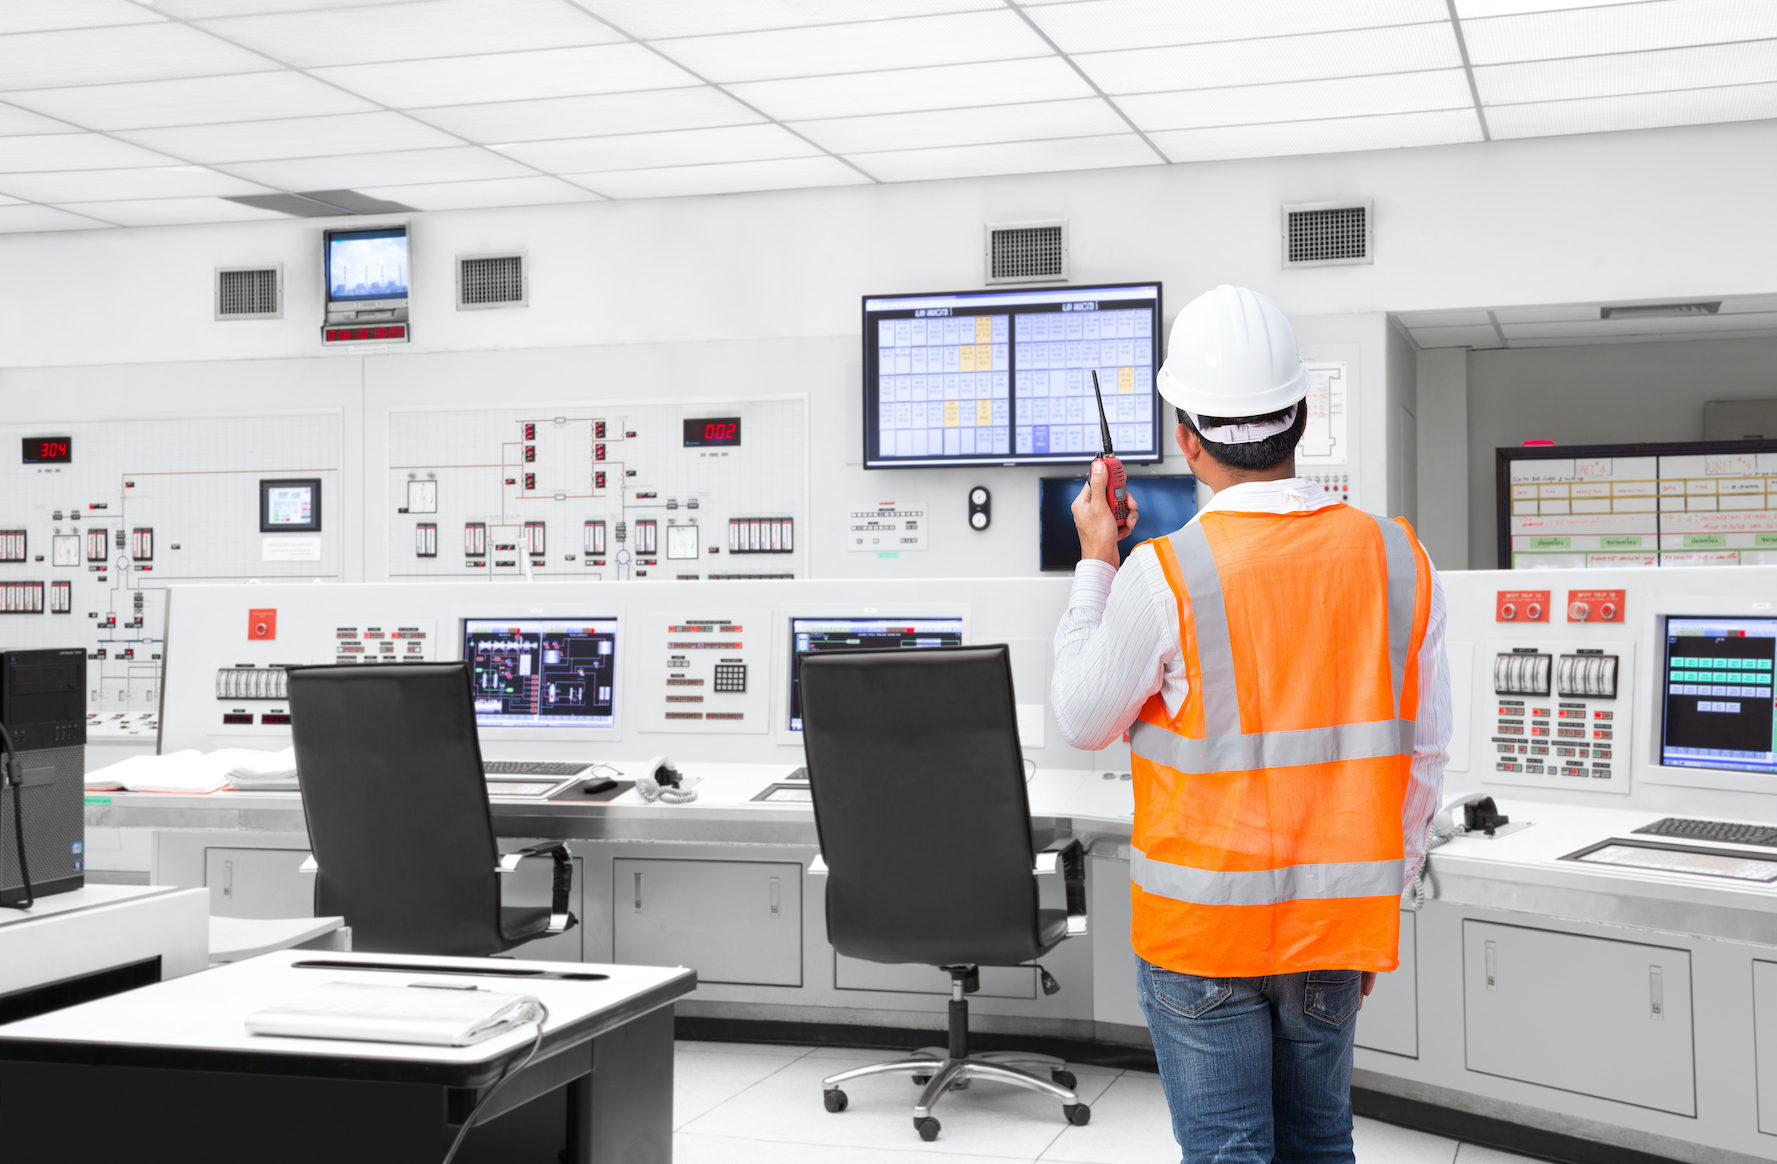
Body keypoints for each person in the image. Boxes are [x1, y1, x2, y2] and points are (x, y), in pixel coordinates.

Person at [1051, 285, 1450, 1164]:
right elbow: (1422, 758)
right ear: (1301, 415)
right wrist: (1372, 909)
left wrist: (1094, 562)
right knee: (1320, 1144)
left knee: (1230, 1154)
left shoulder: (1163, 574)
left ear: (1187, 440)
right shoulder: (1396, 557)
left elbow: (1081, 717)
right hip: (1331, 930)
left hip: (1202, 939)